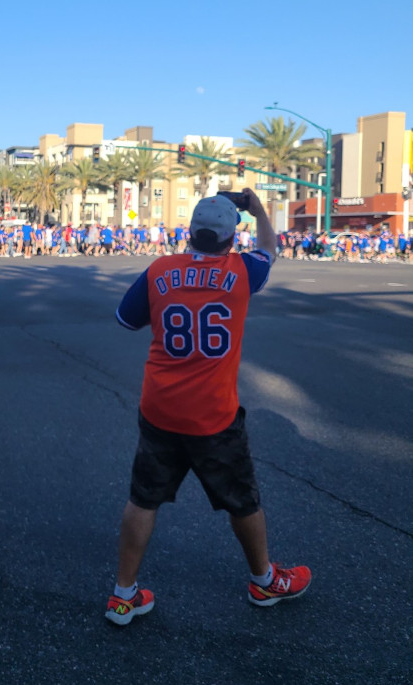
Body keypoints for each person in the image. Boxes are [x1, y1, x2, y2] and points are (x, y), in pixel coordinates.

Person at [105, 189, 310, 626]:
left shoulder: (160, 269)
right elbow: (270, 248)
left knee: (143, 499)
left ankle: (123, 595)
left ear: (189, 233)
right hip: (213, 416)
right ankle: (264, 580)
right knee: (242, 501)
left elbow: (126, 319)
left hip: (160, 408)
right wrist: (257, 209)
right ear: (230, 239)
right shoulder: (242, 271)